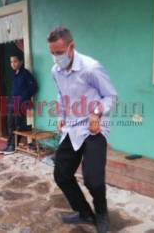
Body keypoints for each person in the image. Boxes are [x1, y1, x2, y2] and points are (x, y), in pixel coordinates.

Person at [48, 27, 117, 233]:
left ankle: (102, 213)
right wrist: (61, 115)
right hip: (72, 127)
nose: (56, 57)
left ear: (71, 47)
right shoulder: (55, 71)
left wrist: (97, 112)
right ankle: (85, 212)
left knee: (93, 180)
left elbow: (111, 96)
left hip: (94, 128)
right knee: (61, 174)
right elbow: (61, 95)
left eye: (59, 52)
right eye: (52, 52)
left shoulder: (91, 68)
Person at [0, 52, 38, 155]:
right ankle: (9, 145)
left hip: (21, 104)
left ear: (21, 61)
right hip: (13, 103)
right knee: (10, 124)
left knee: (16, 125)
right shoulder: (14, 74)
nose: (13, 64)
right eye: (11, 62)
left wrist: (24, 98)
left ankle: (13, 146)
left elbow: (34, 88)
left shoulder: (25, 74)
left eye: (15, 61)